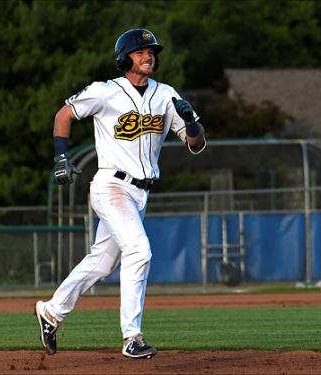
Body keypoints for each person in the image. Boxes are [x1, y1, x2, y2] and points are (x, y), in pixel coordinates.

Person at [34, 28, 206, 359]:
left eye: (152, 51)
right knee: (139, 250)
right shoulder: (105, 92)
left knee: (102, 262)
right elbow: (64, 114)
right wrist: (60, 157)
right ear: (124, 57)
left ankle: (52, 312)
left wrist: (192, 124)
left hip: (140, 194)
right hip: (111, 185)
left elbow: (196, 144)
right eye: (141, 51)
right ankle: (132, 336)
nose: (149, 56)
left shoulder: (166, 95)